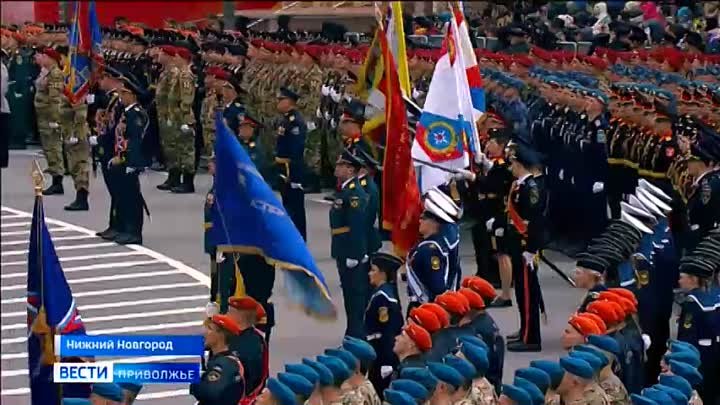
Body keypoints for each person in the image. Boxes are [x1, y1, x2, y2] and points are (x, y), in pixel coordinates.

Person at [505, 145, 548, 352]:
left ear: (520, 164)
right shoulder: (520, 185)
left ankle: (531, 338)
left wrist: (531, 249)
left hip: (525, 248)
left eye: (513, 163)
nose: (511, 167)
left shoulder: (531, 187)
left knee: (528, 294)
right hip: (518, 245)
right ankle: (525, 330)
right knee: (522, 293)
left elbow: (536, 222)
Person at [331, 149, 370, 338]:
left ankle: (355, 335)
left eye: (340, 165)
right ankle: (352, 333)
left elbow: (357, 226)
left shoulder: (354, 194)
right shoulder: (345, 190)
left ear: (350, 169)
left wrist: (355, 255)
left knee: (354, 296)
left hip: (349, 251)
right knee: (348, 295)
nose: (336, 168)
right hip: (342, 248)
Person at [108, 76, 148, 244]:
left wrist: (131, 162)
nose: (121, 97)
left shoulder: (136, 114)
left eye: (123, 94)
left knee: (132, 197)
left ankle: (134, 231)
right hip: (122, 159)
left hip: (130, 161)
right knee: (123, 196)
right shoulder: (127, 112)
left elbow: (136, 140)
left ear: (132, 95)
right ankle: (124, 227)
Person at [676, 256, 720, 404]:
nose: (679, 281)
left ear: (693, 279)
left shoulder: (692, 303)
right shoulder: (714, 297)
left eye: (682, 277)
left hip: (700, 355)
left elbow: (687, 335)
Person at [405, 191, 456, 313]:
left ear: (434, 222)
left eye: (423, 218)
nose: (420, 220)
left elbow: (437, 285)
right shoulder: (429, 244)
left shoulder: (430, 250)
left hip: (426, 307)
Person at [364, 252, 404, 396]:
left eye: (373, 270)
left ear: (383, 274)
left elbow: (388, 332)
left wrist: (387, 361)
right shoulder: (381, 293)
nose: (370, 273)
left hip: (381, 354)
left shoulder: (384, 298)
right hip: (377, 351)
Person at [94, 67, 125, 241]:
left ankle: (119, 225)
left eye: (102, 78)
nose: (100, 82)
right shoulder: (111, 99)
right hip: (108, 148)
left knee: (117, 190)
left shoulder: (116, 100)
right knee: (114, 190)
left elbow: (113, 127)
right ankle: (114, 224)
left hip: (113, 149)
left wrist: (101, 140)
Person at [275, 86, 308, 240]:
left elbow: (296, 150)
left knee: (295, 208)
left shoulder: (295, 122)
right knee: (287, 205)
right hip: (283, 167)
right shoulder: (286, 119)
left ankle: (299, 238)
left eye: (282, 99)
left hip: (291, 169)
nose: (278, 102)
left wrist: (294, 176)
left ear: (290, 102)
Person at [190, 315, 245, 405]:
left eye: (210, 329)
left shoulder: (224, 364)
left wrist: (196, 386)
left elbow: (210, 393)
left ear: (221, 335)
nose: (205, 333)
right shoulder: (223, 360)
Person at [34, 47, 65, 195]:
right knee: (48, 148)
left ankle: (57, 181)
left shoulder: (55, 74)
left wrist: (55, 119)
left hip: (50, 117)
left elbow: (55, 98)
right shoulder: (46, 72)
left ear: (51, 58)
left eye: (44, 56)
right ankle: (54, 175)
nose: (41, 58)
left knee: (53, 148)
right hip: (43, 116)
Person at [227, 296, 268, 399]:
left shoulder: (252, 343)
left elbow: (254, 377)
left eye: (230, 312)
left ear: (240, 317)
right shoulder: (231, 334)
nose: (226, 315)